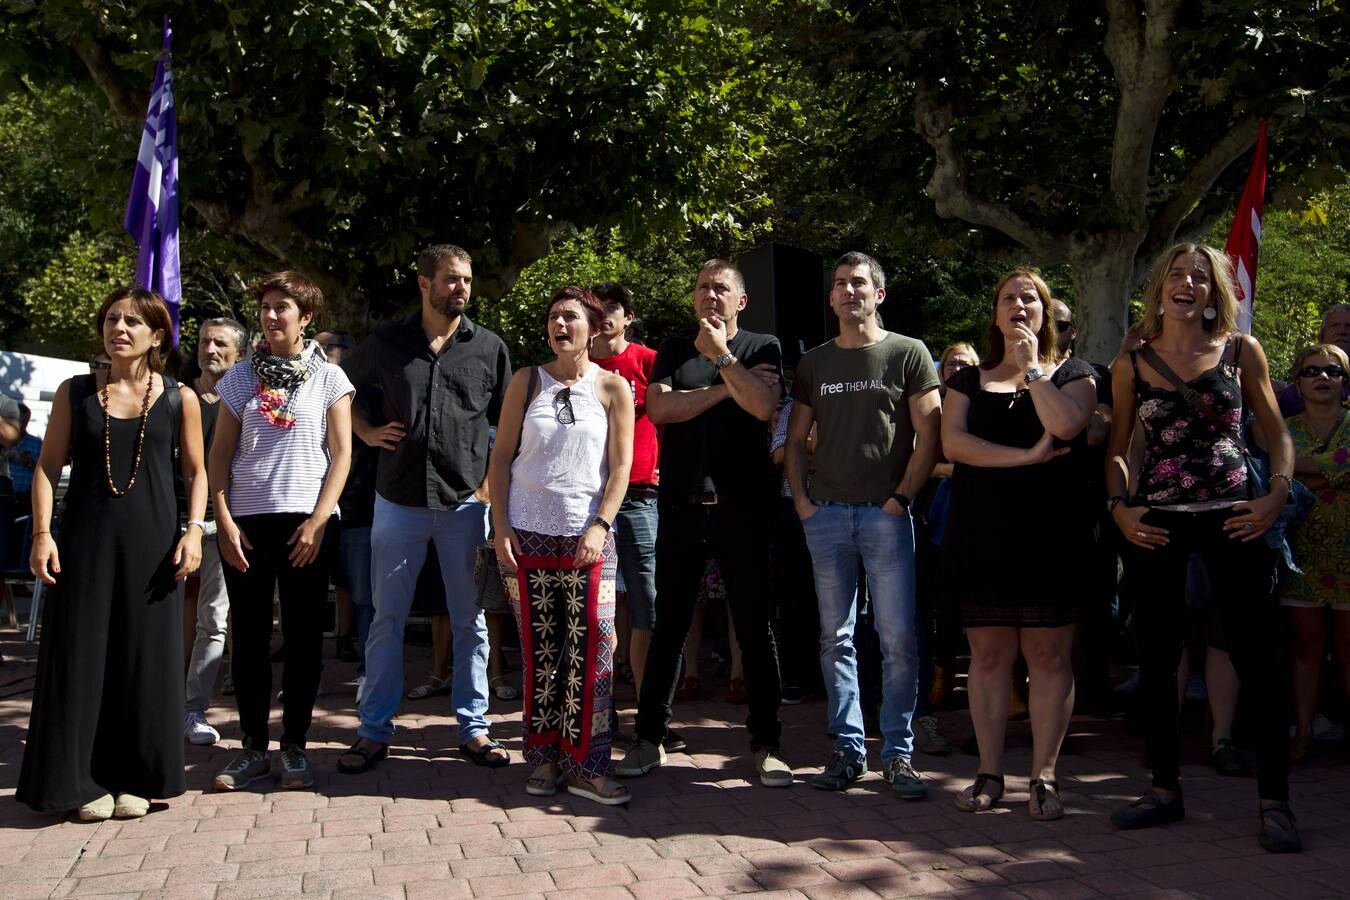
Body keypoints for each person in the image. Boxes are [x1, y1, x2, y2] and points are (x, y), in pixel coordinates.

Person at [1104, 243, 1299, 853]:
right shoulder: (1131, 362)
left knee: (1256, 656)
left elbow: (1276, 432)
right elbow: (1117, 448)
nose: (1187, 284)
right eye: (1177, 275)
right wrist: (1120, 510)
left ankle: (1275, 802)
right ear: (1159, 285)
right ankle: (1164, 789)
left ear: (1216, 292)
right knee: (1158, 661)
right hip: (1158, 523)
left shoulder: (1242, 353)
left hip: (1236, 519)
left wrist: (1276, 498)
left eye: (1200, 277)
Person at [18, 287, 206, 820]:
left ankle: (137, 780)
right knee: (80, 658)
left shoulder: (178, 397)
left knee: (144, 660)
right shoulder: (74, 392)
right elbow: (47, 469)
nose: (118, 328)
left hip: (155, 548)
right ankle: (78, 783)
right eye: (111, 319)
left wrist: (193, 532)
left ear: (156, 336)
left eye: (131, 321)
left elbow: (195, 471)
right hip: (85, 545)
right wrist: (41, 535)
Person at [337, 244, 512, 775]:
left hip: (464, 506)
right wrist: (366, 430)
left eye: (467, 279)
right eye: (451, 279)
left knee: (471, 622)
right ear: (424, 283)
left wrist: (487, 484)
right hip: (398, 501)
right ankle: (373, 731)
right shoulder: (387, 342)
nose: (460, 288)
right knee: (386, 619)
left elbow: (509, 419)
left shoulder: (488, 347)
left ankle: (474, 728)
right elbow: (339, 389)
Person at [615, 258, 789, 786]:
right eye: (701, 288)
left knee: (755, 627)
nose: (709, 296)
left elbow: (763, 407)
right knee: (669, 624)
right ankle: (650, 739)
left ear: (741, 301)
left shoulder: (763, 347)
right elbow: (660, 410)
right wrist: (723, 386)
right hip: (681, 506)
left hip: (745, 507)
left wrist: (724, 359)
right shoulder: (673, 348)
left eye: (720, 289)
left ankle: (767, 744)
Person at [784, 252, 941, 799]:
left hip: (886, 516)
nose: (849, 292)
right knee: (836, 639)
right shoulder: (815, 364)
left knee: (898, 637)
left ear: (879, 293)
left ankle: (898, 753)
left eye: (859, 284)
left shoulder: (909, 353)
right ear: (830, 298)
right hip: (825, 517)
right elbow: (795, 440)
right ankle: (848, 749)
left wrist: (901, 499)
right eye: (840, 285)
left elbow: (931, 435)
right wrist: (803, 504)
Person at [942, 270, 1096, 820]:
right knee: (987, 656)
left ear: (1046, 311)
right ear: (994, 314)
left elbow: (1068, 426)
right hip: (984, 533)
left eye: (1029, 296)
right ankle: (989, 772)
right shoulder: (967, 382)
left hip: (1051, 535)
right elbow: (955, 445)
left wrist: (1033, 371)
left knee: (1048, 655)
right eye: (1007, 296)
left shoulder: (1074, 373)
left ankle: (1044, 776)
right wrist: (1025, 458)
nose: (1018, 304)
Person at [488, 285, 634, 804]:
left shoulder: (614, 388)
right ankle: (545, 759)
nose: (561, 325)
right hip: (526, 534)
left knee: (593, 650)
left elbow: (620, 469)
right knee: (541, 652)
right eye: (554, 317)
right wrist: (501, 527)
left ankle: (589, 764)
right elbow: (501, 458)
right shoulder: (527, 381)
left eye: (571, 317)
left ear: (593, 329)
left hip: (586, 537)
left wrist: (600, 525)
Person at [209, 272, 354, 791]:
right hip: (246, 523)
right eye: (266, 307)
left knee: (302, 639)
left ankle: (294, 745)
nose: (272, 316)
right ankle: (251, 747)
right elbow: (219, 456)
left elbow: (342, 455)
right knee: (247, 637)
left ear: (305, 317)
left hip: (307, 525)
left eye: (282, 308)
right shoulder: (239, 378)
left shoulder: (330, 379)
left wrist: (319, 519)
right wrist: (222, 521)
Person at [588, 281, 660, 703]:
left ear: (628, 316)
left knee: (647, 605)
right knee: (597, 611)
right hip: (587, 500)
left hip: (639, 496)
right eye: (595, 309)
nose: (604, 315)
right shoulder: (576, 367)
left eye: (612, 307)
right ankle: (601, 710)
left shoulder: (649, 360)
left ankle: (650, 716)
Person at [1281, 343, 1350, 763]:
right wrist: (1333, 470)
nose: (1322, 377)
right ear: (1298, 381)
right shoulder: (1282, 427)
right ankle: (1302, 732)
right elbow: (1277, 465)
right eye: (1311, 371)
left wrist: (1304, 468)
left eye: (1332, 370)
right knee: (1306, 646)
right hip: (1301, 551)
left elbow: (1292, 468)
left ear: (1345, 381)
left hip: (1348, 553)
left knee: (1349, 646)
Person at [182, 317, 249, 746]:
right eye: (205, 341)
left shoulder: (247, 401)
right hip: (175, 519)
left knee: (213, 619)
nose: (210, 349)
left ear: (239, 354)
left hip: (223, 520)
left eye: (221, 343)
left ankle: (193, 709)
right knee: (169, 615)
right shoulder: (177, 397)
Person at [1277, 305, 1350, 416]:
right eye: (1335, 325)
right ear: (1321, 335)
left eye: (1348, 326)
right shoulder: (1294, 392)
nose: (1342, 331)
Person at [7, 403, 42, 517]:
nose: (21, 426)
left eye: (25, 422)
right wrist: (10, 455)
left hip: (25, 499)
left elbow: (43, 470)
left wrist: (30, 462)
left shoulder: (37, 443)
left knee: (22, 532)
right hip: (3, 496)